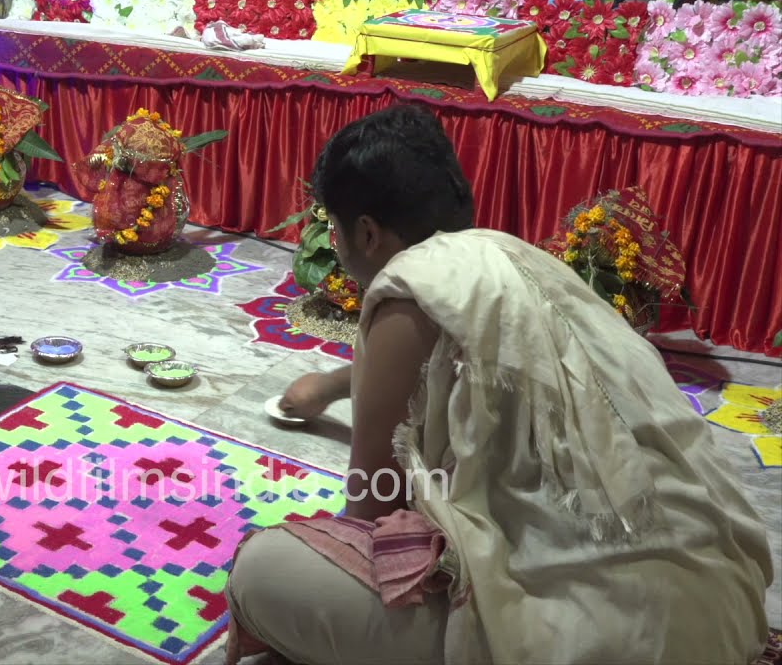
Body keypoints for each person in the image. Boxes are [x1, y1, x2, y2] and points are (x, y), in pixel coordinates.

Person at [225, 105, 773, 664]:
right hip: (724, 609)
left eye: (334, 229)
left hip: (602, 643)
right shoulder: (515, 257)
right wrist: (332, 386)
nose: (334, 246)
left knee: (264, 570)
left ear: (366, 232)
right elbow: (465, 365)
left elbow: (369, 509)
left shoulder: (402, 292)